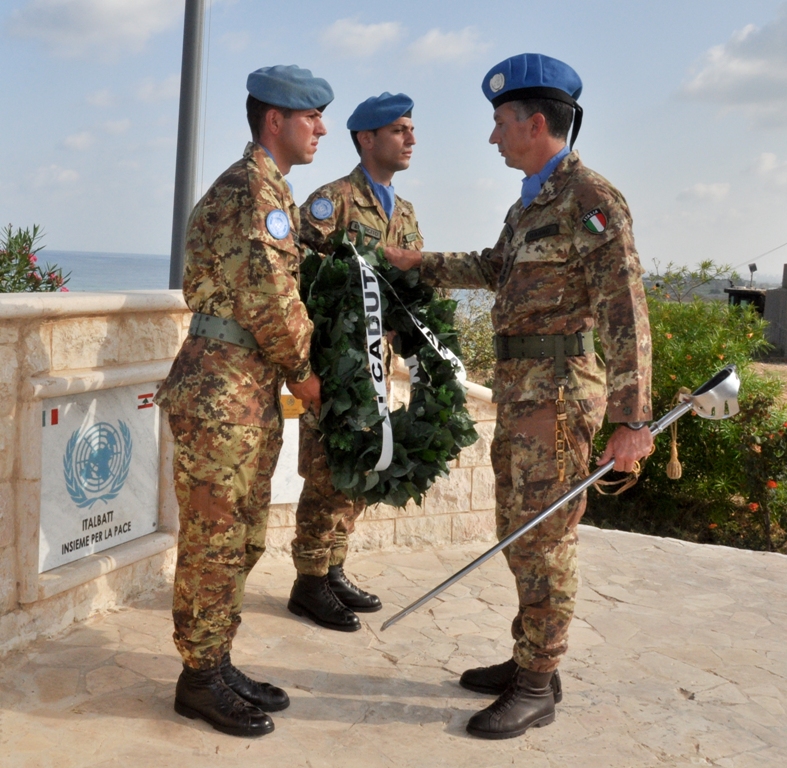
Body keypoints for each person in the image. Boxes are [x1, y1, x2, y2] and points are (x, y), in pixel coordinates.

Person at [385, 53, 653, 740]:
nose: (491, 137)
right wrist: (419, 264)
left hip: (560, 400)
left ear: (535, 123)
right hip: (523, 396)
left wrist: (632, 419)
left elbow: (624, 309)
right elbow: (495, 265)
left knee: (545, 540)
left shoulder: (589, 198)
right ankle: (530, 658)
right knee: (519, 532)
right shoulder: (532, 200)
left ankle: (537, 685)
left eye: (499, 123)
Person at [154, 64, 333, 737]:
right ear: (274, 121)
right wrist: (304, 371)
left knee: (243, 535)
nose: (319, 129)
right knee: (215, 537)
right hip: (224, 387)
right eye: (310, 116)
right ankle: (197, 679)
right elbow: (269, 299)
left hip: (243, 384)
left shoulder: (263, 187)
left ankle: (215, 658)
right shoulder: (252, 190)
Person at [287, 92, 424, 632]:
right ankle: (308, 582)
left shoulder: (405, 212)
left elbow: (411, 284)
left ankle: (334, 568)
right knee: (326, 473)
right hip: (336, 365)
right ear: (366, 139)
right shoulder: (332, 201)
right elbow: (294, 267)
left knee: (364, 465)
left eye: (411, 130)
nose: (411, 139)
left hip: (378, 366)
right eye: (399, 130)